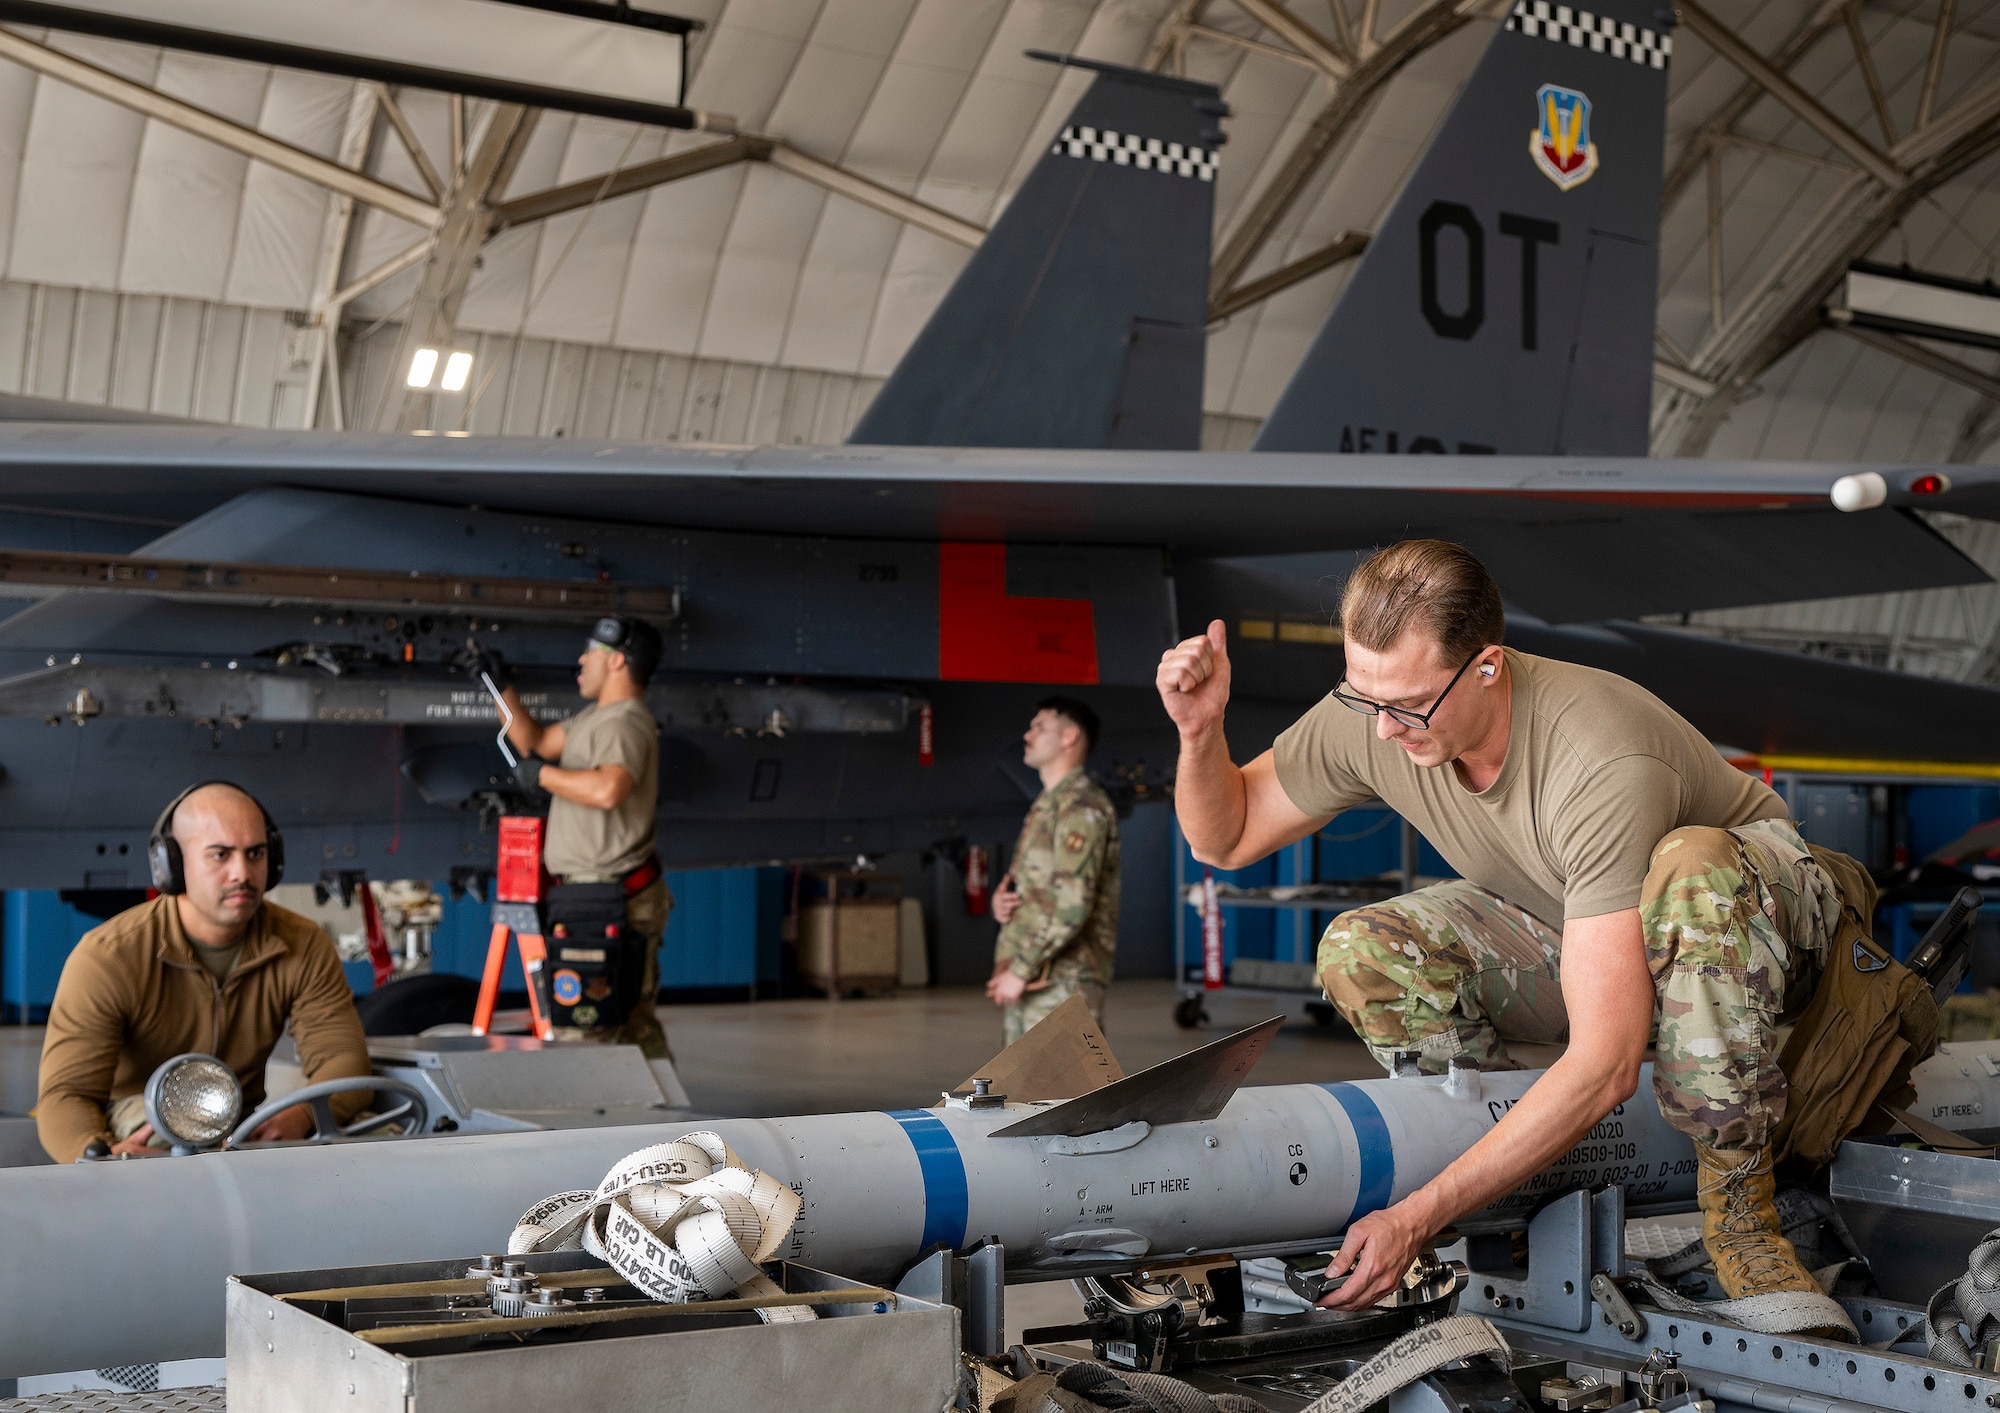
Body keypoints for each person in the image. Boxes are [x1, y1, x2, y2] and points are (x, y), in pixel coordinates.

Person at [1157, 539, 1862, 1338]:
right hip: (1598, 919)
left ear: (1488, 665)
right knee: (1366, 947)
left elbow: (1605, 1068)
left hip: (1768, 930)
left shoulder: (1598, 754)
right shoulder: (1381, 707)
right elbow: (1228, 835)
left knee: (1689, 868)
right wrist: (1198, 732)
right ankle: (1523, 1194)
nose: (1385, 731)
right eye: (1365, 698)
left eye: (1410, 706)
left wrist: (1418, 1213)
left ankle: (1741, 1217)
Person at [37, 782, 371, 1162]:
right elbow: (65, 1095)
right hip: (140, 1123)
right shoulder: (110, 957)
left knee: (380, 1131)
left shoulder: (302, 944)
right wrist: (99, 1155)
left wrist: (301, 1115)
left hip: (241, 1126)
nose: (242, 873)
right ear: (173, 866)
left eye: (256, 854)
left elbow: (344, 1063)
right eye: (220, 855)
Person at [480, 615, 672, 1058]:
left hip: (612, 898)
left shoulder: (624, 723)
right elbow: (536, 741)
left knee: (590, 1027)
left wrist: (542, 776)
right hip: (593, 897)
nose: (581, 661)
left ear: (619, 662)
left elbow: (609, 790)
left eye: (592, 653)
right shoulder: (595, 718)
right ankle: (661, 1117)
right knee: (628, 1024)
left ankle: (619, 1122)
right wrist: (499, 686)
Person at [988, 697, 1121, 1045]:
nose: (1028, 734)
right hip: (1039, 978)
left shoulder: (1081, 807)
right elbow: (1044, 890)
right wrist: (1004, 904)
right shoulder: (1048, 804)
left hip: (1064, 982)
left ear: (1069, 736)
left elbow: (1072, 907)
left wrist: (1019, 970)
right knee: (1024, 1094)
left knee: (1063, 1095)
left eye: (1039, 727)